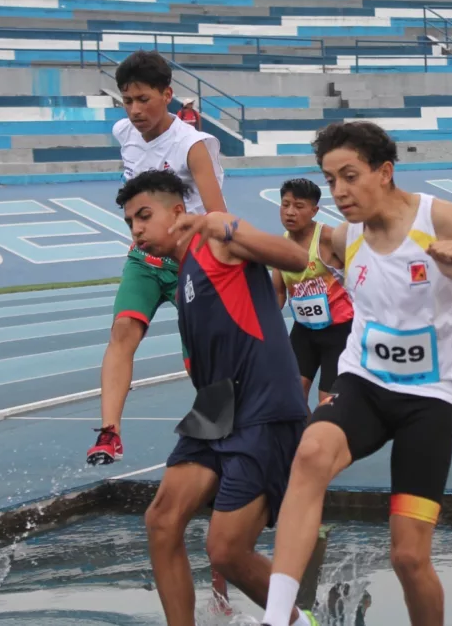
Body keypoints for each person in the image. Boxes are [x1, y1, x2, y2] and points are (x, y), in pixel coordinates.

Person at [260, 122, 452, 626]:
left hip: (427, 400)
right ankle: (277, 617)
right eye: (330, 180)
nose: (339, 192)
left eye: (350, 176)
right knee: (309, 454)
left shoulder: (439, 218)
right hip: (364, 384)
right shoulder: (343, 237)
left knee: (409, 558)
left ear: (385, 172)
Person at [118, 170, 318, 626]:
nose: (137, 230)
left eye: (144, 216)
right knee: (162, 520)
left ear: (177, 211)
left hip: (264, 406)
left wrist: (220, 223)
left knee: (226, 550)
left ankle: (297, 622)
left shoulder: (217, 240)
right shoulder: (183, 272)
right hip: (215, 408)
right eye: (130, 223)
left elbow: (295, 257)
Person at [87, 50, 226, 467]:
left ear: (167, 95)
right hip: (144, 258)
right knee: (122, 331)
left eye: (143, 99)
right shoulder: (123, 132)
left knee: (199, 354)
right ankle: (109, 433)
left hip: (191, 260)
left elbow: (219, 216)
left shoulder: (194, 146)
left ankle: (220, 430)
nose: (134, 110)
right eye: (127, 100)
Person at [271, 178, 354, 414]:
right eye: (285, 204)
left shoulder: (330, 239)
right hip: (304, 331)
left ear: (314, 210)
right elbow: (278, 292)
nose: (290, 212)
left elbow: (362, 276)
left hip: (339, 331)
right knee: (292, 395)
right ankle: (307, 435)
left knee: (327, 403)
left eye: (299, 206)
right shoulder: (281, 245)